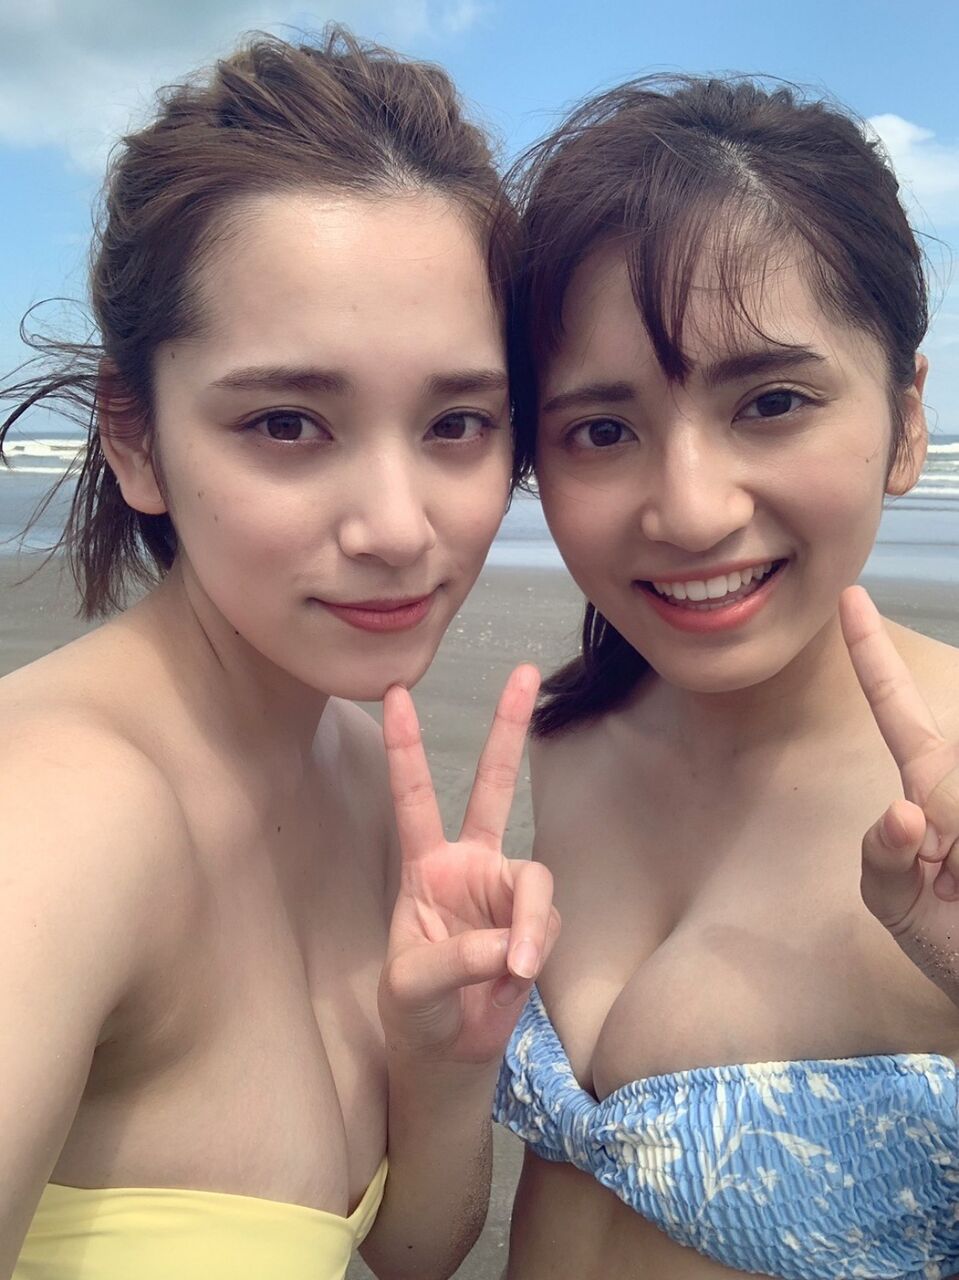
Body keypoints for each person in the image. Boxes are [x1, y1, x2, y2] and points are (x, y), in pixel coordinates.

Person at [0, 28, 557, 1280]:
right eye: (288, 422)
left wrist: (441, 1065)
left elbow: (407, 1249)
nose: (396, 526)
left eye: (456, 422)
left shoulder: (355, 767)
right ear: (134, 436)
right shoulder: (54, 818)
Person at [494, 76, 959, 1279]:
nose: (690, 509)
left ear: (906, 417)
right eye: (601, 429)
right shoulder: (565, 735)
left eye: (770, 401)